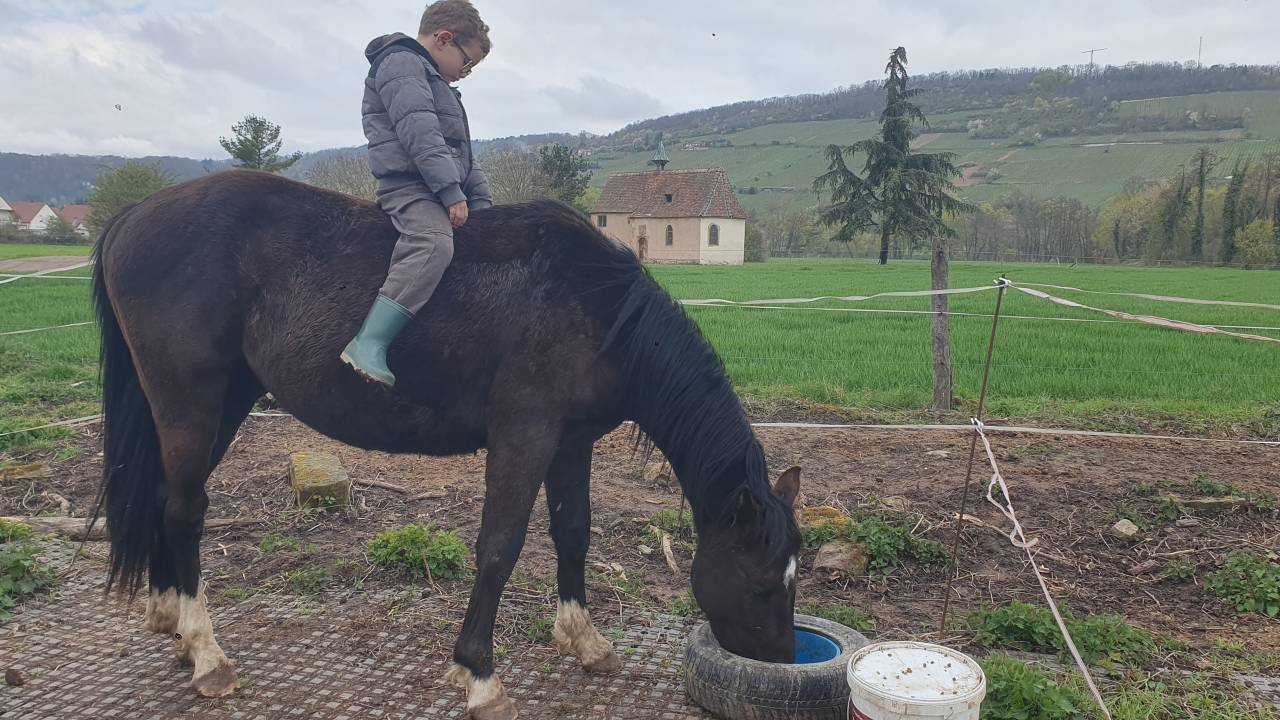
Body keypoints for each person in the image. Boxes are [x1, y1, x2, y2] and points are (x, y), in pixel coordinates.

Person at [342, 0, 492, 386]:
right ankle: (369, 342)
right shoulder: (400, 65)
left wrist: (483, 207)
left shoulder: (437, 84)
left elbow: (462, 154)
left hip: (438, 186)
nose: (465, 73)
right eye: (467, 62)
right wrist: (449, 190)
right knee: (432, 243)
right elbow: (420, 134)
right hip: (409, 187)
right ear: (444, 39)